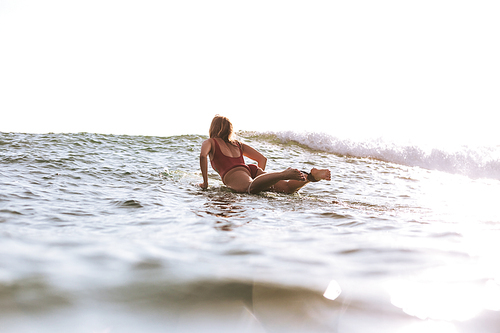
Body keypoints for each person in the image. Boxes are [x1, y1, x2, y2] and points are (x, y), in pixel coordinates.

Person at [199, 115, 331, 194]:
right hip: (251, 171)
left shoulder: (210, 142)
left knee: (249, 188)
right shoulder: (237, 144)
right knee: (287, 189)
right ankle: (312, 177)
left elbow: (203, 156)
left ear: (213, 129)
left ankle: (284, 173)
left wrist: (205, 183)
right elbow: (262, 159)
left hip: (235, 175)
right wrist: (262, 182)